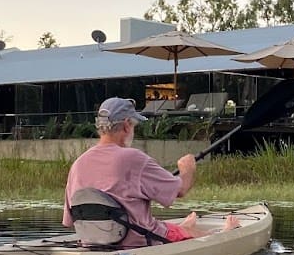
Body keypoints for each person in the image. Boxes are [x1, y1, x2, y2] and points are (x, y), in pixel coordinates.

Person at [62, 97, 240, 246]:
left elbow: (69, 221)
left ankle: (185, 228)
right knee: (192, 234)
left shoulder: (78, 164)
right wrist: (187, 169)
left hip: (93, 244)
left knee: (172, 228)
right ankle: (224, 233)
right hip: (141, 241)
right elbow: (180, 189)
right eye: (134, 125)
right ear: (126, 125)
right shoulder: (133, 158)